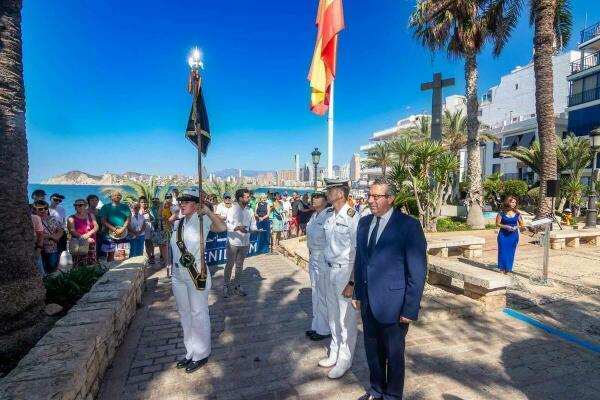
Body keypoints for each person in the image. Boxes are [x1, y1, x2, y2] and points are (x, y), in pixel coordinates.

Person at [352, 178, 427, 400]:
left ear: (390, 198)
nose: (371, 200)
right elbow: (361, 261)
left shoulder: (408, 225)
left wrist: (410, 308)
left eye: (376, 196)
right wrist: (357, 293)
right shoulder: (364, 223)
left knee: (394, 355)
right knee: (373, 352)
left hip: (394, 305)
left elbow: (417, 271)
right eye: (369, 195)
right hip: (368, 302)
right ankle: (376, 390)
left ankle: (393, 395)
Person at [170, 188, 226, 373]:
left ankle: (201, 354)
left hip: (195, 275)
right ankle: (190, 351)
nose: (182, 204)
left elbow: (222, 228)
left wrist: (208, 211)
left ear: (196, 204)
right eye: (181, 201)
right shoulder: (178, 224)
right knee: (185, 313)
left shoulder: (202, 221)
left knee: (198, 313)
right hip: (178, 275)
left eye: (187, 201)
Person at [319, 179, 360, 380]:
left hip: (345, 272)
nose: (327, 193)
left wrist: (352, 282)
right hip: (329, 270)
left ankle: (345, 359)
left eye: (330, 190)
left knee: (346, 320)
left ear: (340, 193)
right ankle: (334, 352)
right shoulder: (329, 215)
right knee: (333, 316)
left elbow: (357, 252)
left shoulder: (353, 217)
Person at [305, 192, 332, 342]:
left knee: (322, 294)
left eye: (318, 197)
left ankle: (324, 329)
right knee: (315, 292)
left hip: (323, 258)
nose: (314, 200)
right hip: (313, 257)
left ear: (326, 201)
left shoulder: (328, 215)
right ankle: (317, 325)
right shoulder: (313, 216)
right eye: (313, 197)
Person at [224, 188, 257, 298]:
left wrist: (255, 230)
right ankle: (226, 286)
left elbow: (253, 224)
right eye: (247, 197)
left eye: (249, 196)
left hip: (245, 242)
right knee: (229, 264)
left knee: (239, 265)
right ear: (240, 198)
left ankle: (237, 286)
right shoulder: (232, 210)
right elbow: (227, 225)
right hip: (233, 242)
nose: (249, 198)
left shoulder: (250, 210)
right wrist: (237, 227)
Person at [100, 190, 131, 262]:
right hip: (108, 234)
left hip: (123, 233)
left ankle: (123, 270)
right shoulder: (105, 207)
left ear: (121, 197)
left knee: (122, 253)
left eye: (118, 195)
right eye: (114, 195)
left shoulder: (125, 206)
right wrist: (114, 229)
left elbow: (128, 219)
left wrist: (122, 229)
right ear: (111, 197)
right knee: (110, 254)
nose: (117, 196)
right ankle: (111, 271)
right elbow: (103, 220)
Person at [34, 200, 64, 274]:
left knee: (52, 266)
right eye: (40, 209)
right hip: (39, 248)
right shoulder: (33, 220)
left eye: (46, 208)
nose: (43, 210)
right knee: (42, 268)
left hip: (52, 247)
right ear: (35, 210)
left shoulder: (52, 219)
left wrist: (56, 237)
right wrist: (50, 236)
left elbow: (60, 231)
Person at [496, 195, 524, 275]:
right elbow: (497, 223)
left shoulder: (518, 213)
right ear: (508, 202)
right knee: (502, 251)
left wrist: (516, 227)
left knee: (511, 252)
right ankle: (501, 268)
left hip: (513, 236)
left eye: (515, 202)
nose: (514, 204)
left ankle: (508, 269)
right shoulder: (501, 212)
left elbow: (521, 225)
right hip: (503, 235)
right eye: (512, 202)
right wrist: (506, 226)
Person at [67, 198, 99, 266]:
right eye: (75, 205)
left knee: (92, 263)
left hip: (91, 243)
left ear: (85, 206)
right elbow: (72, 231)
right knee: (79, 263)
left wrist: (89, 234)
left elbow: (96, 226)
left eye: (80, 205)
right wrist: (86, 238)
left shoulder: (91, 215)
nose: (77, 207)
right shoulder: (71, 218)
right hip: (79, 244)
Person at [151, 197, 168, 264]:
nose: (155, 202)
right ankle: (152, 255)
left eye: (156, 201)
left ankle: (162, 255)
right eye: (154, 201)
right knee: (153, 242)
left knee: (162, 242)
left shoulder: (161, 208)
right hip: (153, 226)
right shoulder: (150, 209)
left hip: (161, 227)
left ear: (158, 202)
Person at [140, 197, 155, 263]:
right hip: (140, 229)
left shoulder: (149, 210)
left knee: (149, 243)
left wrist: (148, 213)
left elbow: (152, 219)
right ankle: (142, 258)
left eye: (145, 202)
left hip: (149, 229)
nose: (144, 203)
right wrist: (142, 214)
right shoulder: (138, 210)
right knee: (142, 244)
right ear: (140, 203)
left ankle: (150, 257)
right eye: (142, 202)